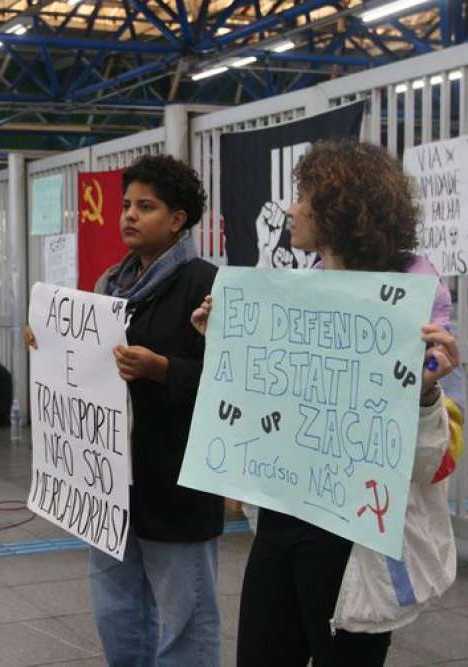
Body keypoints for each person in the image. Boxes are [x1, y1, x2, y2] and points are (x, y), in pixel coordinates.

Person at [191, 141, 462, 667]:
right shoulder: (293, 291)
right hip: (281, 516)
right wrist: (222, 340)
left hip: (355, 532)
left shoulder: (416, 301)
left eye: (303, 196)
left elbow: (435, 459)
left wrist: (429, 392)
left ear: (339, 209)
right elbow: (266, 404)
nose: (291, 208)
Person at [25, 154, 222, 666]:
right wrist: (47, 341)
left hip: (176, 481)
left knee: (186, 620)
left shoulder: (207, 285)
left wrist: (162, 369)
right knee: (117, 609)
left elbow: (231, 386)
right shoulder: (109, 288)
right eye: (126, 205)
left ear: (178, 219)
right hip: (109, 483)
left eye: (147, 207)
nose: (129, 216)